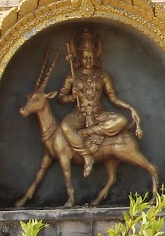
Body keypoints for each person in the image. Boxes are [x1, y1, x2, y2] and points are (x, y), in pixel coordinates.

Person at [58, 27, 142, 175]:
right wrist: (72, 97)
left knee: (121, 120)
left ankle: (86, 133)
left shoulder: (103, 76)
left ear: (96, 57)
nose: (88, 60)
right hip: (79, 114)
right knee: (65, 126)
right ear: (79, 57)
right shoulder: (72, 75)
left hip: (98, 115)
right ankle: (86, 156)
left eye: (91, 57)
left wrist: (130, 108)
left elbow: (113, 98)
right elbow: (61, 98)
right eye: (85, 57)